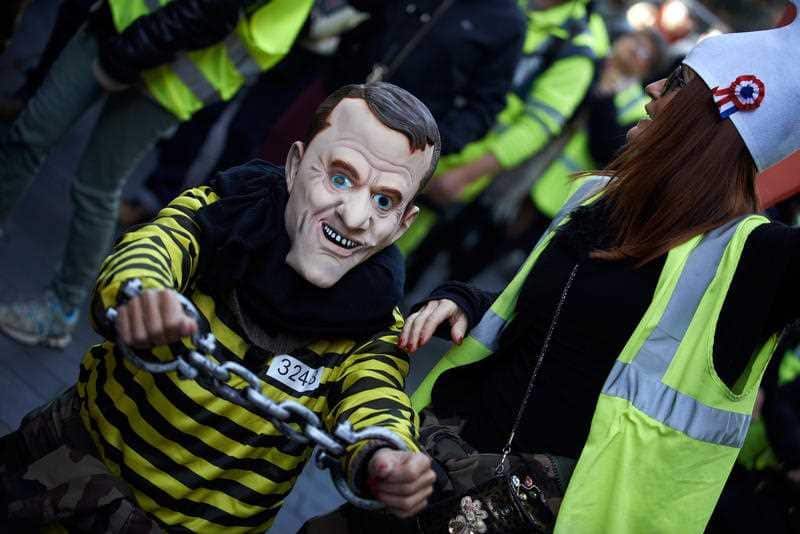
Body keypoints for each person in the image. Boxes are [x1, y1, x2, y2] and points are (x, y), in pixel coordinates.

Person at [394, 3, 800, 533]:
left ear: (709, 125)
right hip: (442, 465)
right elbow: (556, 323)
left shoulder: (755, 260)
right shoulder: (597, 196)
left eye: (677, 82)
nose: (652, 88)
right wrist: (468, 300)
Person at [0, 83, 439, 532]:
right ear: (294, 166)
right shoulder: (217, 215)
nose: (354, 214)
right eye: (339, 178)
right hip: (64, 466)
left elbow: (376, 397)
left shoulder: (377, 329)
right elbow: (153, 248)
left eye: (384, 201)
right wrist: (143, 294)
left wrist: (385, 454)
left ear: (403, 224)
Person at [0, 0, 314, 348]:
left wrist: (143, 48)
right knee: (28, 136)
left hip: (173, 74)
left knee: (95, 185)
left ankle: (62, 307)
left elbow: (226, 23)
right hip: (121, 21)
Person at [398, 0, 608, 291]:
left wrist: (466, 175)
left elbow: (537, 127)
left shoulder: (576, 49)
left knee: (387, 243)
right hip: (402, 121)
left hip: (452, 160)